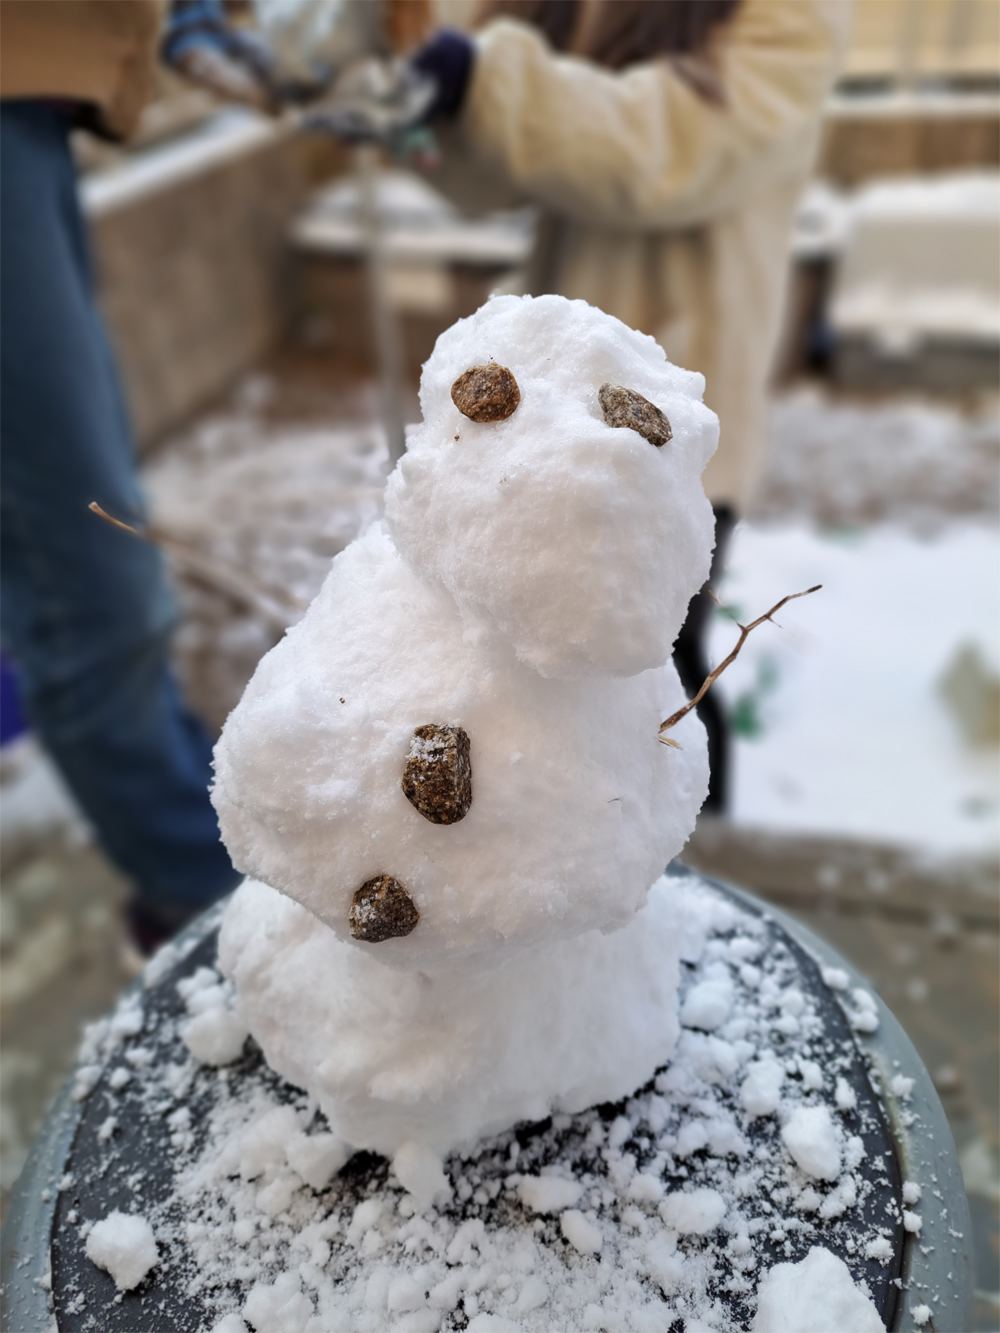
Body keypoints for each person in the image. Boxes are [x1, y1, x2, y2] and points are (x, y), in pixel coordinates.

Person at [406, 0, 850, 810]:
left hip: (677, 424)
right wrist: (421, 105)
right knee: (539, 674)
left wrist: (484, 80)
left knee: (652, 679)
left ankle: (685, 864)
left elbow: (661, 148)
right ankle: (562, 861)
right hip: (548, 407)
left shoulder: (790, 14)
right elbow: (503, 168)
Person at [0, 1, 245, 952]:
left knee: (99, 549)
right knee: (90, 572)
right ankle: (204, 899)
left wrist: (183, 16)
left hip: (37, 97)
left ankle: (200, 863)